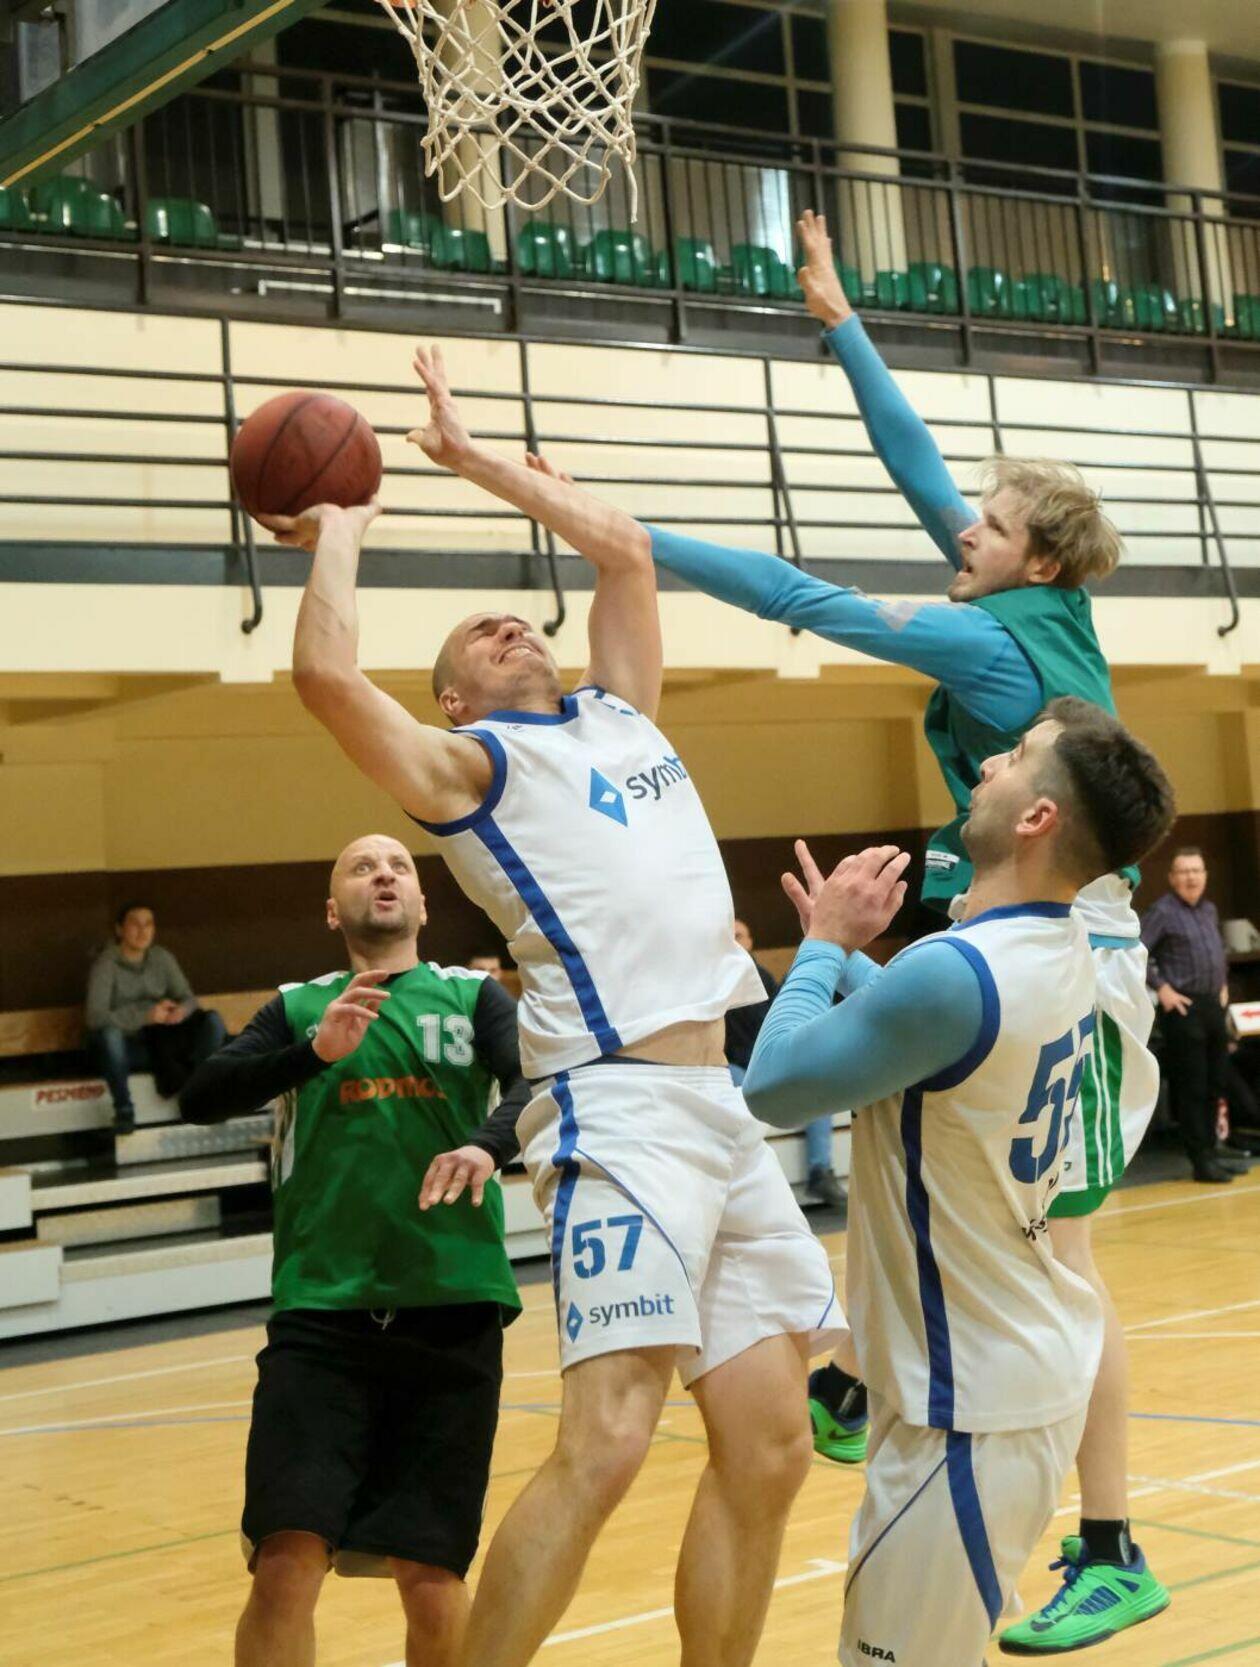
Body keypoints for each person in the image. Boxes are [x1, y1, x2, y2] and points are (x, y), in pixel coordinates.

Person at [643, 208, 1173, 1653]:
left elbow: (803, 598)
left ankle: (1111, 1538)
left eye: (987, 528)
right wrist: (842, 323)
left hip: (1082, 947)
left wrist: (630, 538)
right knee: (942, 1177)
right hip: (1059, 929)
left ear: (1035, 561)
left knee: (1055, 1248)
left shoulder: (989, 637)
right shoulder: (1034, 611)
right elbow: (920, 465)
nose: (961, 531)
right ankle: (868, 1376)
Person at [263, 344, 841, 1667]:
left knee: (770, 1441)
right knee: (612, 1436)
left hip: (720, 1105)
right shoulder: (471, 766)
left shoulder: (621, 714)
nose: (512, 625)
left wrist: (475, 458)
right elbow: (327, 683)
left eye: (519, 617)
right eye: (480, 634)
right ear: (453, 695)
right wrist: (342, 528)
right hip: (616, 1106)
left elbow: (623, 552)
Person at [742, 699, 1176, 1667]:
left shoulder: (956, 968)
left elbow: (773, 1082)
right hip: (999, 1375)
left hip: (973, 1404)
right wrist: (849, 963)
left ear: (1038, 817)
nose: (986, 766)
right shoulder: (1064, 943)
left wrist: (820, 947)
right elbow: (944, 1037)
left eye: (1015, 756)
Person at [179, 833, 528, 1667]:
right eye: (362, 867)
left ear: (424, 903)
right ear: (334, 910)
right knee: (284, 1564)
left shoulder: (472, 995)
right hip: (321, 1316)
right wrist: (312, 1054)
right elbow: (201, 1095)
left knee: (431, 1574)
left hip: (452, 1306)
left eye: (400, 864)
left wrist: (487, 1145)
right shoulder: (299, 1007)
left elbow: (535, 1084)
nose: (384, 874)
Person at [1141, 848, 1245, 1183]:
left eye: (1196, 870)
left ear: (1205, 875)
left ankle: (1213, 1153)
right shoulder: (1163, 912)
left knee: (1216, 1083)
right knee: (1193, 1087)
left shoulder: (1209, 909)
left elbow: (1216, 952)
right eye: (1184, 871)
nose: (1191, 877)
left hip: (1212, 1005)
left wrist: (1223, 983)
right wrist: (1162, 989)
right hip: (1184, 1009)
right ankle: (1200, 1160)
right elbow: (1137, 951)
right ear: (1172, 878)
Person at [729, 916, 845, 1211]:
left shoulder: (762, 978)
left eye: (739, 936)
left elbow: (778, 1025)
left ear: (750, 942)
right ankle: (752, 1181)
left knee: (818, 1089)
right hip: (729, 1067)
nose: (735, 941)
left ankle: (820, 1171)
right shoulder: (712, 981)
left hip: (766, 1061)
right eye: (729, 936)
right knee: (735, 1085)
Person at [85, 901, 226, 1133]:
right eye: (135, 924)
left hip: (163, 1040)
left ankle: (202, 1095)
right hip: (131, 1045)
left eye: (148, 924)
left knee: (212, 1021)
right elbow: (95, 1017)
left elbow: (188, 998)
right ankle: (124, 1110)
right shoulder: (106, 964)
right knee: (109, 1036)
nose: (142, 931)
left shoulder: (161, 957)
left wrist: (180, 1011)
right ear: (120, 929)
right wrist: (145, 1016)